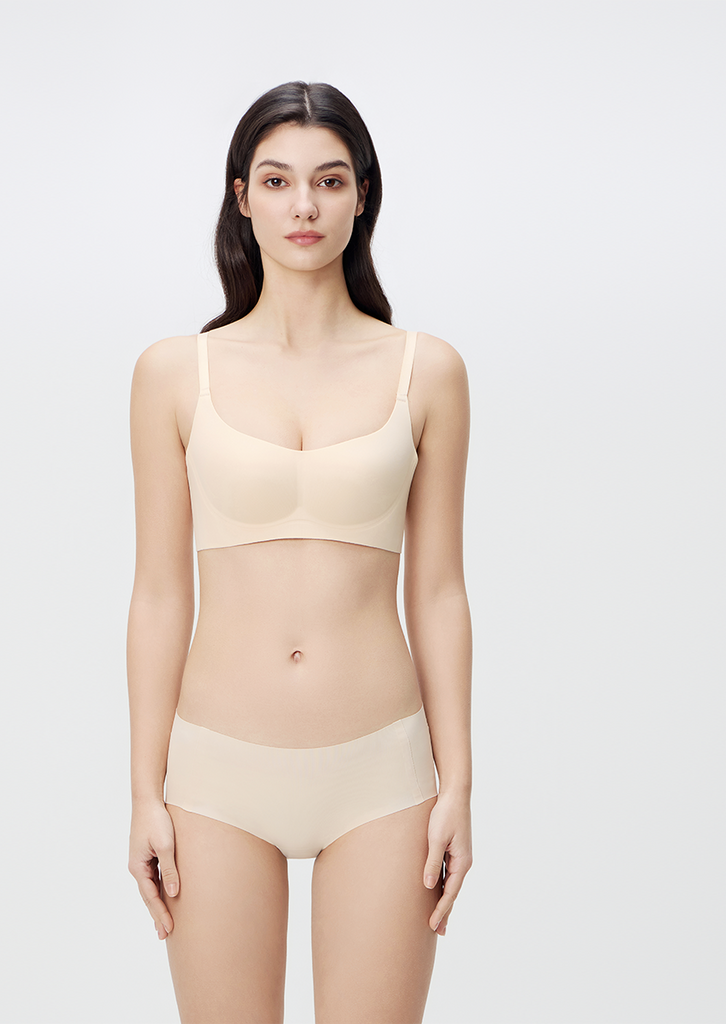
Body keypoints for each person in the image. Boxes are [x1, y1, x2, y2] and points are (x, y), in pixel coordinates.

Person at [126, 81, 473, 1024]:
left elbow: (439, 594)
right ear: (242, 197)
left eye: (329, 180)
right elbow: (158, 595)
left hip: (382, 774)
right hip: (216, 775)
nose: (304, 206)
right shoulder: (174, 373)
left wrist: (458, 783)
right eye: (277, 181)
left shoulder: (427, 371)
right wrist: (145, 792)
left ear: (362, 194)